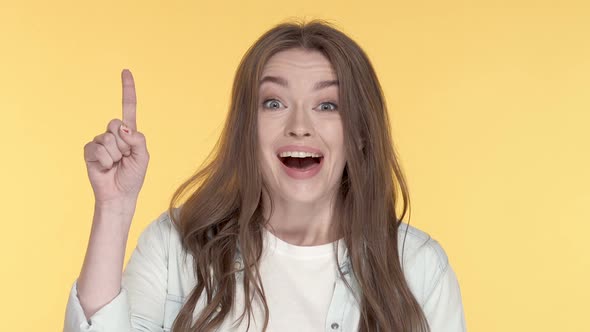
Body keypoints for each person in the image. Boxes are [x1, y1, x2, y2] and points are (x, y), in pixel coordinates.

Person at [63, 19, 466, 332]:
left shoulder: (418, 268)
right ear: (246, 129)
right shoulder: (176, 247)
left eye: (327, 105)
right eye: (273, 102)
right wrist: (113, 209)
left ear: (359, 133)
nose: (299, 125)